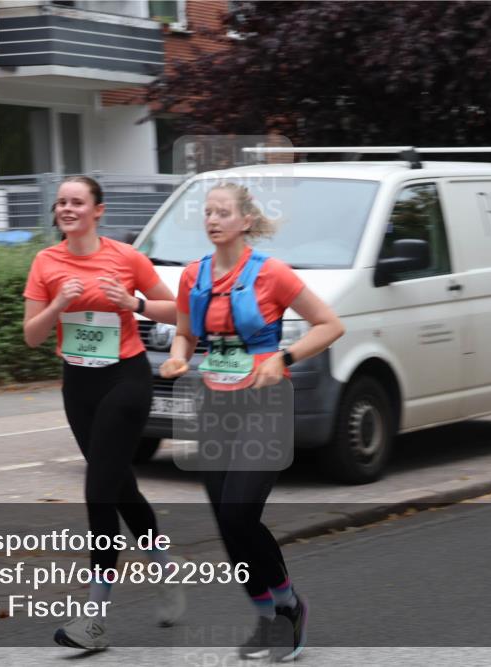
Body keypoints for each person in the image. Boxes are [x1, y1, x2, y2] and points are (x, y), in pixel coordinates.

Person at [160, 182, 344, 662]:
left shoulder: (272, 274)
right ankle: (267, 618)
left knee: (241, 514)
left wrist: (283, 358)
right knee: (226, 523)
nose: (213, 220)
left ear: (245, 221)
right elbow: (184, 333)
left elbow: (330, 325)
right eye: (208, 212)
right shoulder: (193, 276)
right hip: (213, 407)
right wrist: (178, 359)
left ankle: (289, 606)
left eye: (223, 212)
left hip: (264, 405)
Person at [23, 175, 184, 650]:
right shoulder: (45, 262)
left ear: (99, 210)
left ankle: (93, 620)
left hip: (126, 379)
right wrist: (58, 303)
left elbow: (178, 312)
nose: (67, 209)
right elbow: (32, 335)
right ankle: (165, 570)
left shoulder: (125, 257)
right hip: (79, 384)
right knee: (120, 487)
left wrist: (133, 302)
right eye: (61, 203)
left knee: (98, 491)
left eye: (77, 202)